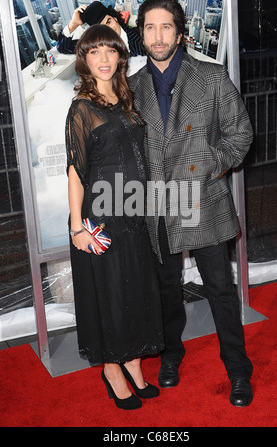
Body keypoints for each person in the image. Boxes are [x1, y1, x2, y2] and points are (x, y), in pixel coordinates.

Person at [129, 0, 254, 407]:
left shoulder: (212, 78)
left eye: (166, 27)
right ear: (142, 33)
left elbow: (240, 136)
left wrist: (208, 163)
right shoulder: (131, 89)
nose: (158, 35)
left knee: (219, 289)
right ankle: (171, 355)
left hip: (205, 201)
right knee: (166, 289)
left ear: (180, 33)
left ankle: (238, 370)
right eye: (150, 27)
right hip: (158, 207)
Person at [65, 23, 164, 410]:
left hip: (134, 214)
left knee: (138, 291)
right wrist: (77, 228)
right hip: (101, 218)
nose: (104, 59)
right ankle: (111, 369)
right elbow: (75, 172)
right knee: (110, 296)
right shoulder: (82, 110)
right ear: (85, 61)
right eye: (95, 52)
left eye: (110, 51)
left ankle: (135, 365)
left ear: (120, 56)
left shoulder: (127, 100)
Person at [57, 1, 145, 58]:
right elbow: (63, 47)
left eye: (108, 22)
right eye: (103, 28)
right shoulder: (96, 45)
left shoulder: (139, 37)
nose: (109, 30)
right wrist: (74, 23)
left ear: (115, 18)